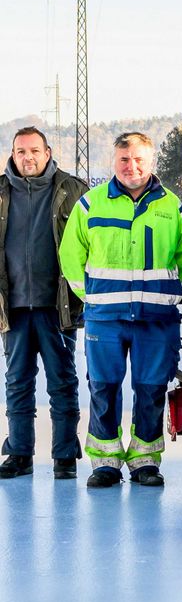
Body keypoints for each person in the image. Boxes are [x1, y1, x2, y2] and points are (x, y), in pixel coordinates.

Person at [59, 132, 182, 488]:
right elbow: (71, 257)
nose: (131, 166)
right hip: (105, 318)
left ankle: (145, 463)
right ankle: (105, 464)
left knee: (151, 390)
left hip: (156, 319)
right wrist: (93, 295)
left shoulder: (172, 207)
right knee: (103, 389)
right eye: (124, 159)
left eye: (139, 159)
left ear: (151, 162)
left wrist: (158, 293)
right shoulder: (91, 205)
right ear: (114, 161)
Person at [0, 128, 88, 480]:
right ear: (12, 154)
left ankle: (65, 455)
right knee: (17, 382)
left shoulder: (72, 190)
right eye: (21, 151)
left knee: (62, 381)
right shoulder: (1, 192)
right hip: (15, 306)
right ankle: (19, 453)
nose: (28, 157)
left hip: (58, 306)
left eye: (35, 150)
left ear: (48, 152)